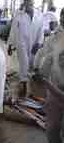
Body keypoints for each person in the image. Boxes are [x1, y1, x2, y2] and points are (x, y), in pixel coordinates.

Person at [33, 8, 64, 143]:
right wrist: (38, 70)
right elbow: (45, 54)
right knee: (52, 128)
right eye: (62, 19)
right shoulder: (57, 36)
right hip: (56, 89)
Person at [8, 0, 44, 97]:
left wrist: (39, 42)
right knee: (24, 63)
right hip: (21, 43)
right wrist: (10, 45)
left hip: (34, 43)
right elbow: (13, 30)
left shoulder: (39, 15)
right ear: (24, 4)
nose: (29, 6)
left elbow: (41, 29)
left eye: (31, 4)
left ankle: (27, 81)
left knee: (30, 64)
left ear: (33, 4)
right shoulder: (19, 16)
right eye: (27, 4)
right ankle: (24, 84)